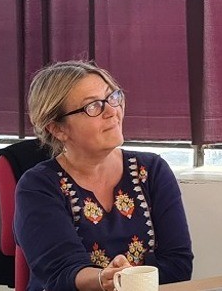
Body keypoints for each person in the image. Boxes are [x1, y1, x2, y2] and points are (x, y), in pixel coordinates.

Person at [15, 60, 193, 290]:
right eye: (93, 106)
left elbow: (178, 264)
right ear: (57, 129)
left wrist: (127, 279)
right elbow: (61, 274)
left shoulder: (152, 170)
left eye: (113, 97)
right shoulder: (38, 186)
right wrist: (106, 279)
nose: (112, 111)